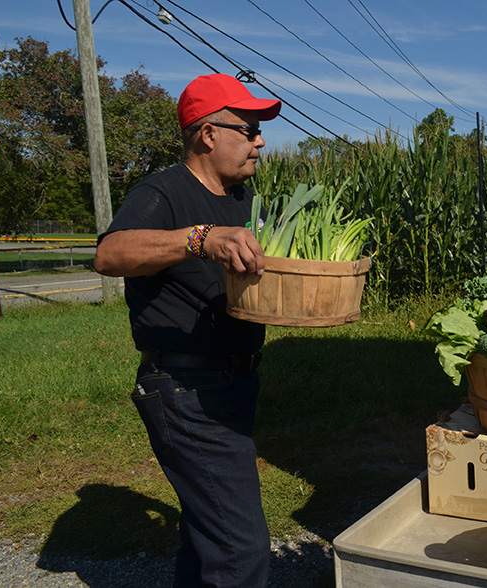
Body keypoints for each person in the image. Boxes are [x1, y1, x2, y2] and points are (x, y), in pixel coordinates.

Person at [94, 73, 281, 587]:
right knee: (241, 550)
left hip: (233, 383)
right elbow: (109, 255)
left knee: (207, 537)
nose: (260, 140)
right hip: (184, 388)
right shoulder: (164, 191)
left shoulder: (242, 197)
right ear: (208, 133)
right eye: (248, 128)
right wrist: (199, 239)